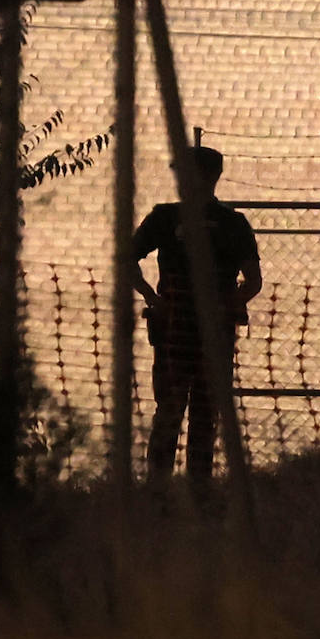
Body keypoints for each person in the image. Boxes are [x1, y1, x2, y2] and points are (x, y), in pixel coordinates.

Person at [132, 145, 261, 488]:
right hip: (179, 329)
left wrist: (220, 306)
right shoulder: (169, 217)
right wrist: (154, 298)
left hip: (197, 331)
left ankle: (188, 489)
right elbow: (126, 258)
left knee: (197, 411)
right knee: (181, 410)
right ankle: (171, 488)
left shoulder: (228, 223)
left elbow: (253, 281)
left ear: (208, 176)